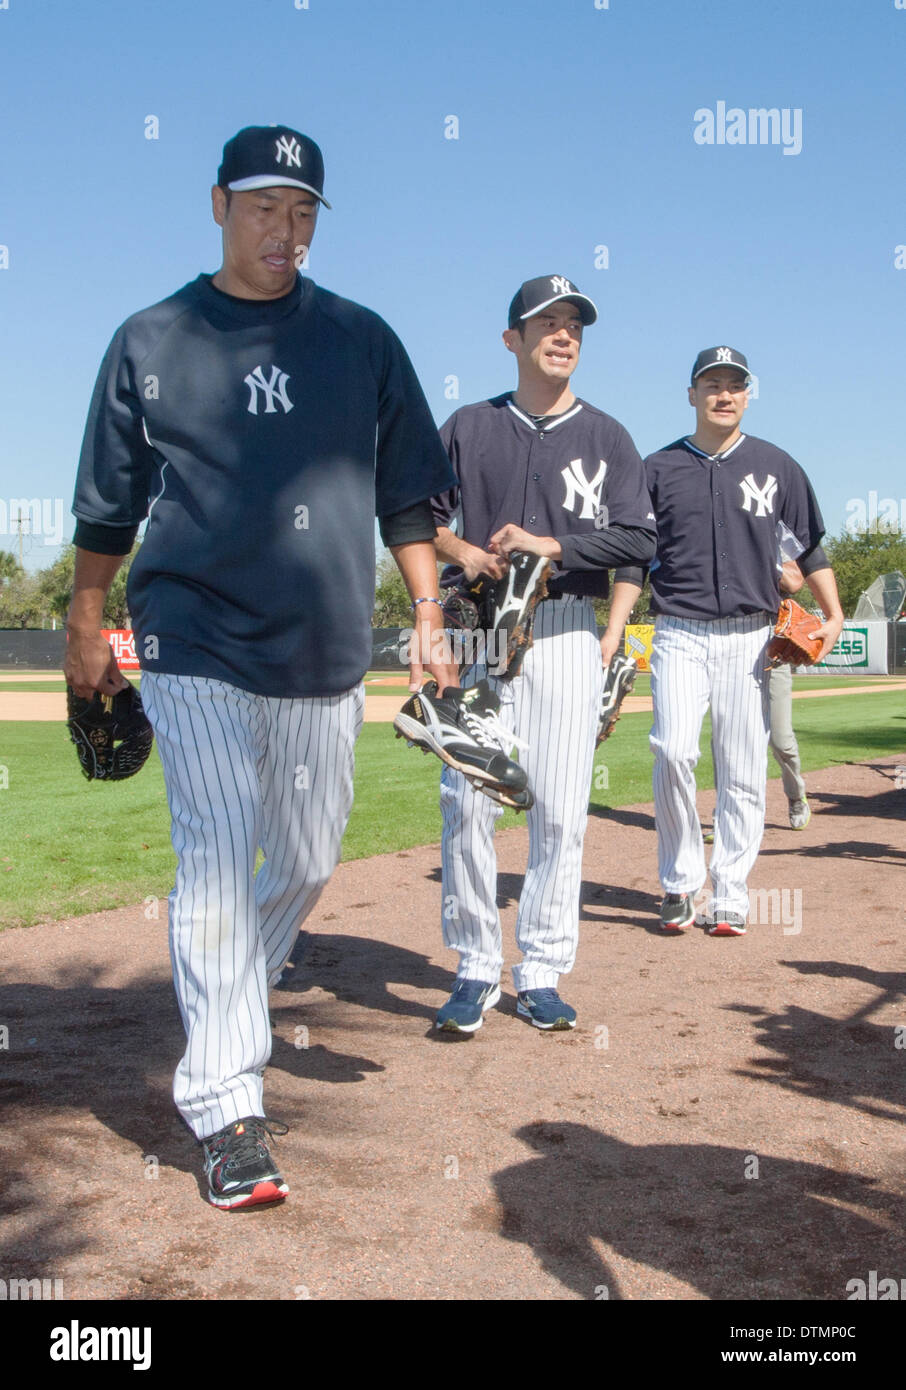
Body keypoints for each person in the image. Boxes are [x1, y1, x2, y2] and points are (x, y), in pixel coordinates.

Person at [64, 125, 459, 1208]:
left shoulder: (360, 339)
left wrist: (428, 610)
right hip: (191, 630)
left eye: (302, 212)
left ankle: (231, 992)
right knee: (215, 853)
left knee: (306, 855)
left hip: (325, 645)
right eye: (262, 206)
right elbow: (108, 502)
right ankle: (228, 1102)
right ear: (217, 204)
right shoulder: (153, 336)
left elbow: (410, 494)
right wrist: (86, 618)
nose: (282, 230)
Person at [422, 275, 656, 1032]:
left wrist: (552, 545)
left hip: (563, 629)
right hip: (482, 629)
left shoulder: (608, 436)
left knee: (559, 810)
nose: (563, 335)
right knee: (466, 805)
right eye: (545, 323)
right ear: (511, 340)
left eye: (574, 326)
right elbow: (416, 519)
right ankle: (475, 966)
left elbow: (641, 538)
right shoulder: (467, 425)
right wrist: (467, 553)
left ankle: (545, 967)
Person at [644, 347, 843, 936]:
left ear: (748, 394)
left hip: (750, 634)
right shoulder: (655, 469)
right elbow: (631, 552)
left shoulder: (777, 464)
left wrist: (832, 615)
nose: (724, 394)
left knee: (740, 764)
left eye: (735, 384)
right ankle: (680, 881)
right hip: (677, 629)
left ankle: (730, 889)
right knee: (672, 750)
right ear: (691, 394)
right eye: (712, 384)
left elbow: (808, 549)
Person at [769, 559, 813, 829]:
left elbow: (794, 581)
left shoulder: (768, 530)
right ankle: (727, 813)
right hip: (728, 648)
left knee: (781, 739)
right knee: (729, 740)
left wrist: (754, 552)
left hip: (773, 651)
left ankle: (796, 796)